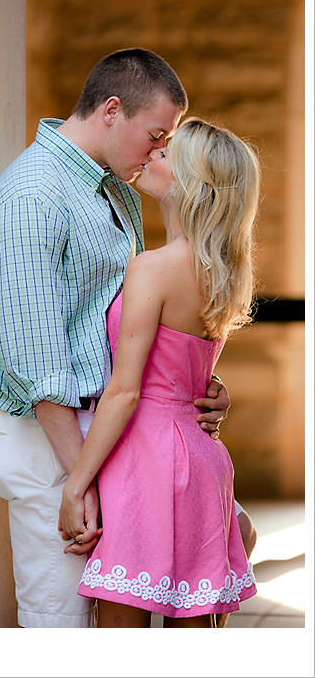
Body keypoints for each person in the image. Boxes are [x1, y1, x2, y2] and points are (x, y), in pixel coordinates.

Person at [0, 48, 240, 628]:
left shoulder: (111, 187)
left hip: (116, 435)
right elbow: (38, 360)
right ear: (112, 111)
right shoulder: (33, 196)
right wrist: (82, 480)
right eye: (155, 135)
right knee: (63, 625)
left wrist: (197, 383)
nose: (157, 152)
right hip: (52, 439)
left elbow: (133, 325)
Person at [59, 117, 259, 627]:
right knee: (193, 629)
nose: (153, 154)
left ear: (192, 184)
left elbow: (125, 392)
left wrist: (75, 485)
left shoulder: (153, 267)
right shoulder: (225, 273)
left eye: (167, 154)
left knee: (121, 636)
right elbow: (190, 368)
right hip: (200, 459)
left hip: (146, 460)